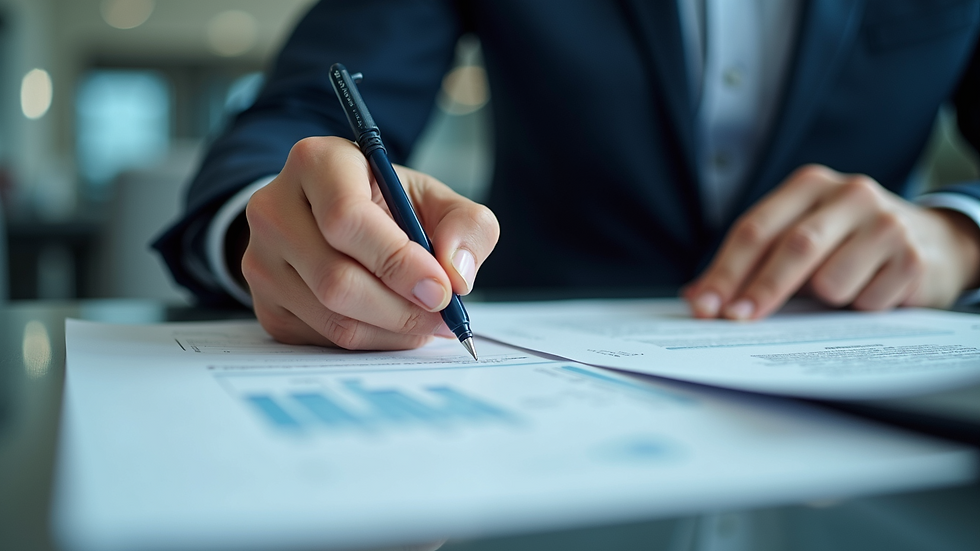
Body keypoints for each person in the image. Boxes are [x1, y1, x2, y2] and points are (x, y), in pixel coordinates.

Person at [155, 0, 980, 351]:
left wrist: (959, 232)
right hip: (542, 404)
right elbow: (295, 115)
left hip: (854, 381)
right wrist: (276, 226)